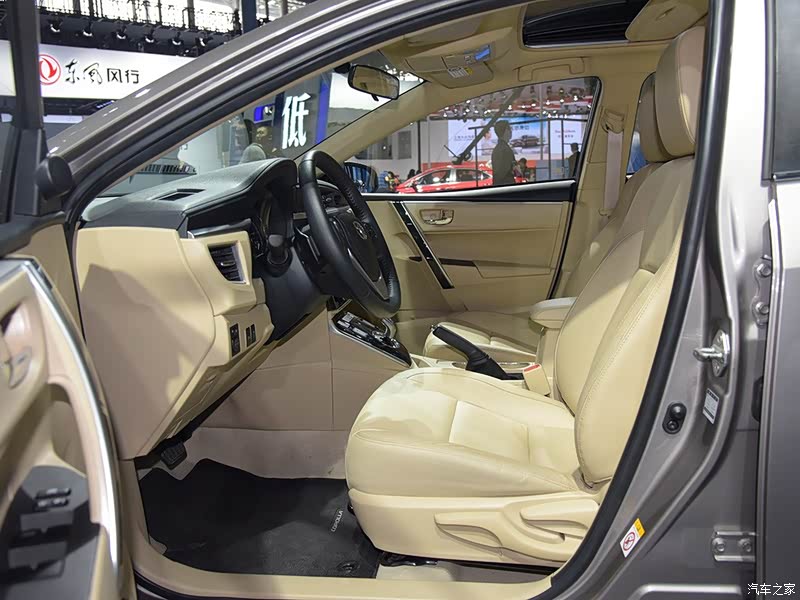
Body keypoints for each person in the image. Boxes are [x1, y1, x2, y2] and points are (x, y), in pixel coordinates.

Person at [491, 120, 516, 185]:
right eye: (509, 129)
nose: (511, 131)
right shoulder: (505, 149)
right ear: (505, 131)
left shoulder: (498, 148)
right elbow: (503, 173)